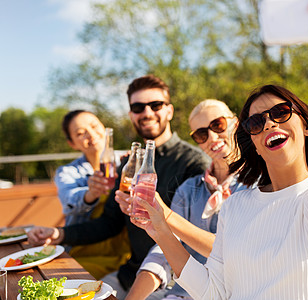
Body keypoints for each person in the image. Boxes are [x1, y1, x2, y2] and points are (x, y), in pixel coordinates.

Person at [132, 1, 308, 299]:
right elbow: (215, 291)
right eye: (256, 122)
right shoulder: (235, 207)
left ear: (305, 126)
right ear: (253, 144)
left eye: (281, 112)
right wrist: (159, 226)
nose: (270, 124)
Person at [27, 74, 210, 299]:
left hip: (172, 283)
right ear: (131, 115)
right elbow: (109, 223)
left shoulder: (194, 162)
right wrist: (59, 233)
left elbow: (196, 237)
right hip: (128, 274)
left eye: (155, 105)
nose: (147, 113)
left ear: (169, 111)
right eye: (138, 107)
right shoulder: (128, 163)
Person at [125, 100, 251, 300]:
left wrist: (166, 215)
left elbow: (230, 251)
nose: (211, 137)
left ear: (235, 124)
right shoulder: (188, 189)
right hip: (180, 293)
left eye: (218, 125)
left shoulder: (257, 185)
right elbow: (164, 248)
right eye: (201, 134)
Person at [55, 110, 130, 279]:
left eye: (94, 126)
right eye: (80, 133)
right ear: (72, 143)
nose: (91, 134)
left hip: (126, 253)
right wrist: (90, 193)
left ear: (104, 127)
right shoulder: (68, 172)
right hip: (84, 251)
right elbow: (69, 200)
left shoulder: (128, 161)